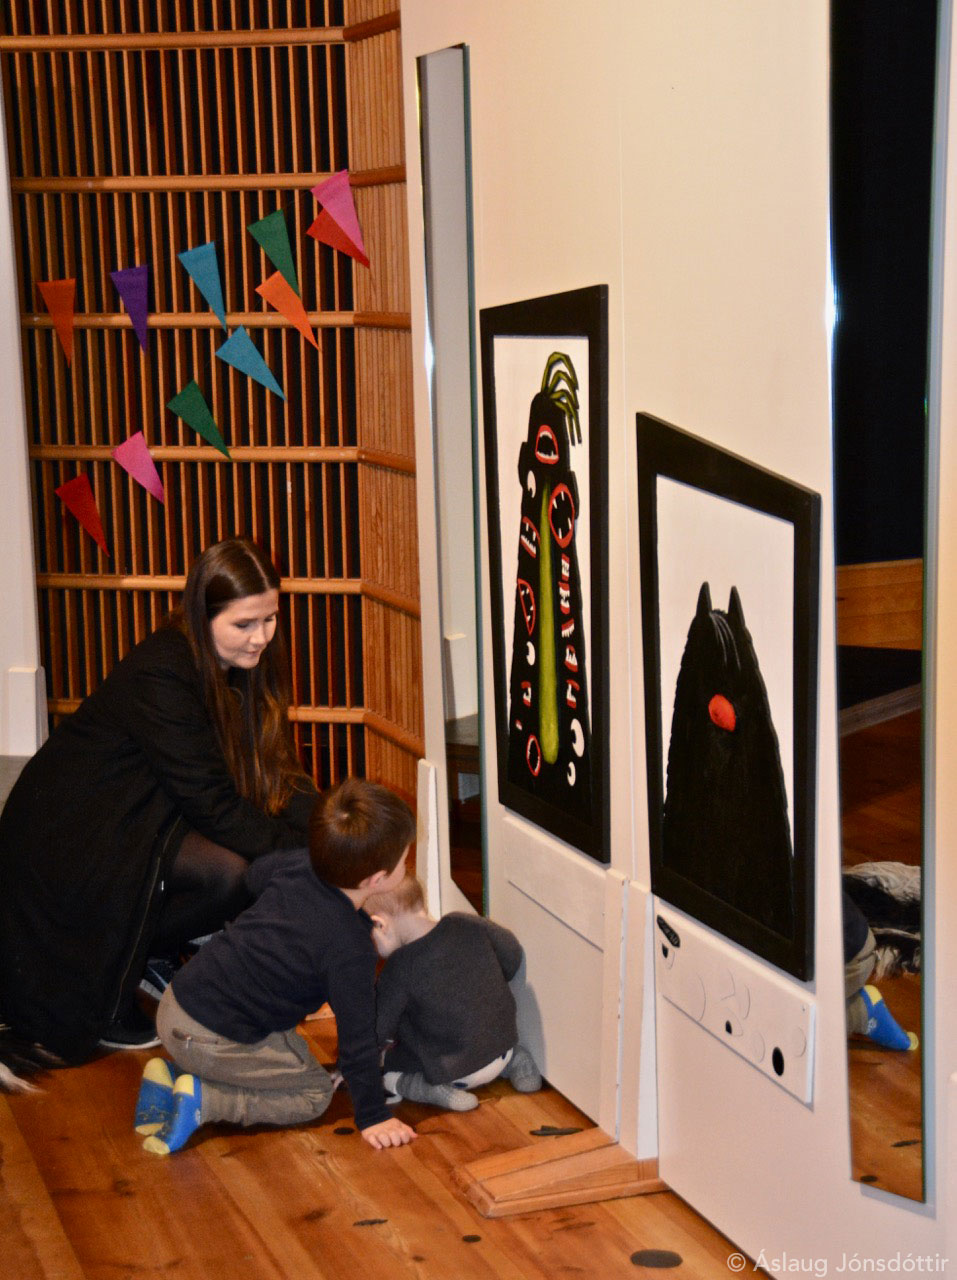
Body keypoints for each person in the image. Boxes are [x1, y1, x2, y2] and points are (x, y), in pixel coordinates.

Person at [0, 537, 318, 1064]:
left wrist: (332, 830)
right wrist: (312, 854)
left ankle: (148, 952)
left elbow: (276, 771)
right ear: (201, 615)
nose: (262, 637)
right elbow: (215, 807)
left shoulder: (241, 661)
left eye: (270, 619)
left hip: (141, 811)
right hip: (73, 831)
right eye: (244, 624)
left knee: (241, 866)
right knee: (232, 873)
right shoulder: (162, 671)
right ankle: (127, 962)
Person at [136, 778, 417, 1154]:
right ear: (377, 879)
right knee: (314, 1093)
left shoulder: (300, 863)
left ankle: (173, 1077)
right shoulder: (350, 948)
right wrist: (373, 1116)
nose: (406, 864)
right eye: (404, 860)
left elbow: (255, 876)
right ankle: (208, 1099)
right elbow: (357, 1039)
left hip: (177, 1003)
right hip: (211, 1037)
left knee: (286, 1045)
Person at [365, 874, 542, 1111]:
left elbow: (377, 1028)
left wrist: (349, 1063)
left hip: (455, 1074)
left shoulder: (399, 966)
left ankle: (431, 1090)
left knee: (387, 1070)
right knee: (483, 1039)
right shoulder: (465, 922)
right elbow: (512, 954)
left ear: (380, 924)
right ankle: (516, 1061)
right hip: (503, 1049)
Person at [843, 891, 918, 1051]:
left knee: (797, 1021)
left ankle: (860, 1011)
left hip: (850, 959)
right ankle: (854, 1006)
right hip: (838, 952)